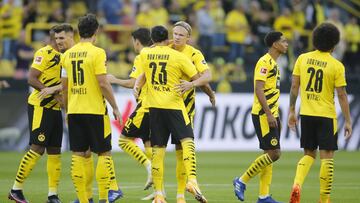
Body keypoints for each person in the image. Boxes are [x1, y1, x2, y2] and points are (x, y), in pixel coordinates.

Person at [134, 25, 209, 203]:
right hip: (174, 106)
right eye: (174, 34)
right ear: (168, 37)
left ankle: (159, 195)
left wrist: (137, 85)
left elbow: (143, 73)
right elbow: (198, 76)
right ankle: (191, 181)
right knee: (187, 141)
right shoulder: (179, 57)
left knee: (158, 152)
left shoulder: (144, 54)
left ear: (152, 39)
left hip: (155, 109)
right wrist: (204, 90)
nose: (176, 37)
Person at [61, 13, 122, 203]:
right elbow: (103, 83)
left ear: (79, 32)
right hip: (95, 110)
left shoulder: (67, 55)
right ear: (96, 32)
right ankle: (103, 198)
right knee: (104, 153)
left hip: (75, 110)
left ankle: (84, 199)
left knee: (79, 155)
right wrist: (115, 107)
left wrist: (66, 109)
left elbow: (64, 86)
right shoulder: (98, 53)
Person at [288, 22, 352, 203]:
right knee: (327, 158)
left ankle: (297, 184)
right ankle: (324, 199)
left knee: (308, 154)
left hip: (306, 114)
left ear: (314, 40)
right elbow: (341, 95)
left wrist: (292, 111)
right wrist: (348, 121)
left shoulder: (302, 58)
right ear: (334, 43)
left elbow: (294, 86)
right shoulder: (336, 65)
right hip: (326, 116)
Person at [8, 25, 68, 203]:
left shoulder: (64, 56)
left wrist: (60, 99)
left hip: (55, 108)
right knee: (37, 147)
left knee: (55, 151)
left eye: (63, 38)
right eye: (60, 38)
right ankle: (15, 190)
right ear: (53, 39)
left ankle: (52, 194)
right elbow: (32, 78)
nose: (62, 41)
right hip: (40, 106)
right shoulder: (44, 53)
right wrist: (47, 91)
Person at [233, 31, 288, 203]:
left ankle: (263, 196)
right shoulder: (264, 62)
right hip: (264, 114)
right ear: (274, 44)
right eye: (283, 41)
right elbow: (259, 89)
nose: (286, 44)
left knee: (268, 155)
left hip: (272, 114)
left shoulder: (275, 64)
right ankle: (241, 180)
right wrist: (270, 113)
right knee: (275, 153)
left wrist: (275, 115)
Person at [170, 21, 215, 203]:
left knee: (181, 149)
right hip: (162, 105)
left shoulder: (194, 54)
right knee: (157, 147)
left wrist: (197, 87)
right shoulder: (166, 48)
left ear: (188, 38)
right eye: (174, 33)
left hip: (185, 107)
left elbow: (206, 76)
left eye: (181, 35)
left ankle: (181, 196)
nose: (176, 37)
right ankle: (159, 192)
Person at [107, 28, 154, 192]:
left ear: (137, 41)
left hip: (145, 105)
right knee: (148, 143)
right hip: (156, 106)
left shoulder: (142, 56)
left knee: (124, 141)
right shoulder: (155, 53)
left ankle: (149, 168)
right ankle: (157, 191)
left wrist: (114, 79)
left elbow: (132, 83)